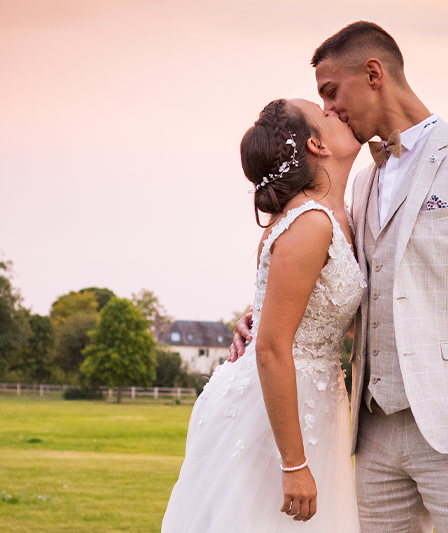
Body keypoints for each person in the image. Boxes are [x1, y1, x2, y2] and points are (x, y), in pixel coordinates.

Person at [232, 21, 448, 532]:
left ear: (373, 73)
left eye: (331, 93)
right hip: (369, 434)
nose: (328, 111)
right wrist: (262, 319)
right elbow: (349, 291)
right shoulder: (360, 182)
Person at [161, 97, 365, 532]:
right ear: (317, 145)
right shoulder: (310, 223)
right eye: (327, 114)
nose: (339, 112)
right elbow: (272, 348)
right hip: (275, 406)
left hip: (315, 397)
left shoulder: (339, 216)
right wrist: (293, 464)